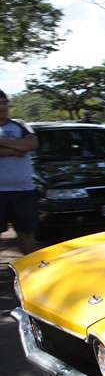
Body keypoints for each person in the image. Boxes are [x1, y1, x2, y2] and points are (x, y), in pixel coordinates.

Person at [0, 89, 38, 254]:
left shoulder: (21, 125)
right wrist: (17, 147)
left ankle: (31, 274)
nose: (2, 107)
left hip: (23, 191)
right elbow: (22, 148)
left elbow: (31, 145)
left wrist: (3, 144)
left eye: (4, 103)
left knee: (27, 233)